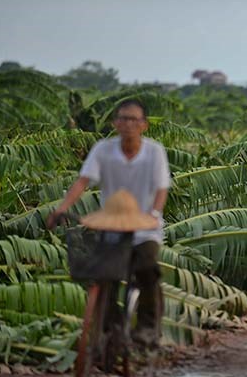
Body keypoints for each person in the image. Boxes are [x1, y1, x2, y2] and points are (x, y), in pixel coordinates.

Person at [47, 98, 171, 344]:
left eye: (133, 119)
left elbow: (161, 188)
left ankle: (149, 327)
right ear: (115, 123)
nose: (128, 124)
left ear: (144, 125)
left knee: (147, 269)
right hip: (112, 224)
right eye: (123, 119)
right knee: (105, 277)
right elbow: (83, 181)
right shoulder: (103, 150)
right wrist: (61, 208)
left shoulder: (154, 152)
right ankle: (111, 329)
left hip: (145, 227)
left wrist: (154, 215)